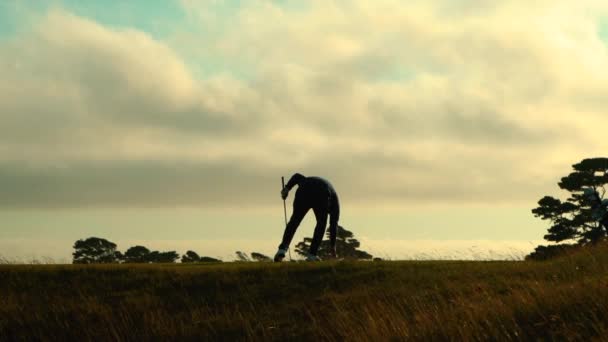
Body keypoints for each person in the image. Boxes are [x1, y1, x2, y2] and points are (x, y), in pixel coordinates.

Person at [274, 173, 340, 262]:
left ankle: (282, 250)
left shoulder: (306, 180)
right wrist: (333, 246)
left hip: (304, 189)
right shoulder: (335, 203)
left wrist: (287, 189)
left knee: (294, 220)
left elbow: (296, 176)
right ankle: (312, 255)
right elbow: (333, 224)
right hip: (322, 192)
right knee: (321, 224)